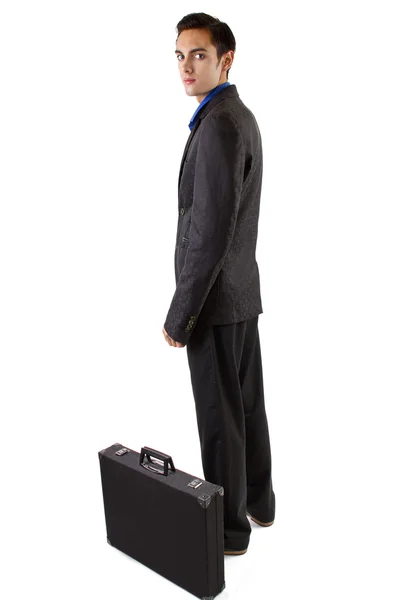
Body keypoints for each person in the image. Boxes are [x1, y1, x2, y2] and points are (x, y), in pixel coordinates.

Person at [162, 12, 275, 556]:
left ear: (225, 60)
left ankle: (231, 532)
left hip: (213, 300)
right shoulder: (236, 116)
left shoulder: (221, 124)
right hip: (239, 294)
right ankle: (260, 501)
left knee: (220, 417)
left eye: (199, 55)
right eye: (180, 55)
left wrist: (180, 314)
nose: (187, 66)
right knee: (246, 403)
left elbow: (208, 232)